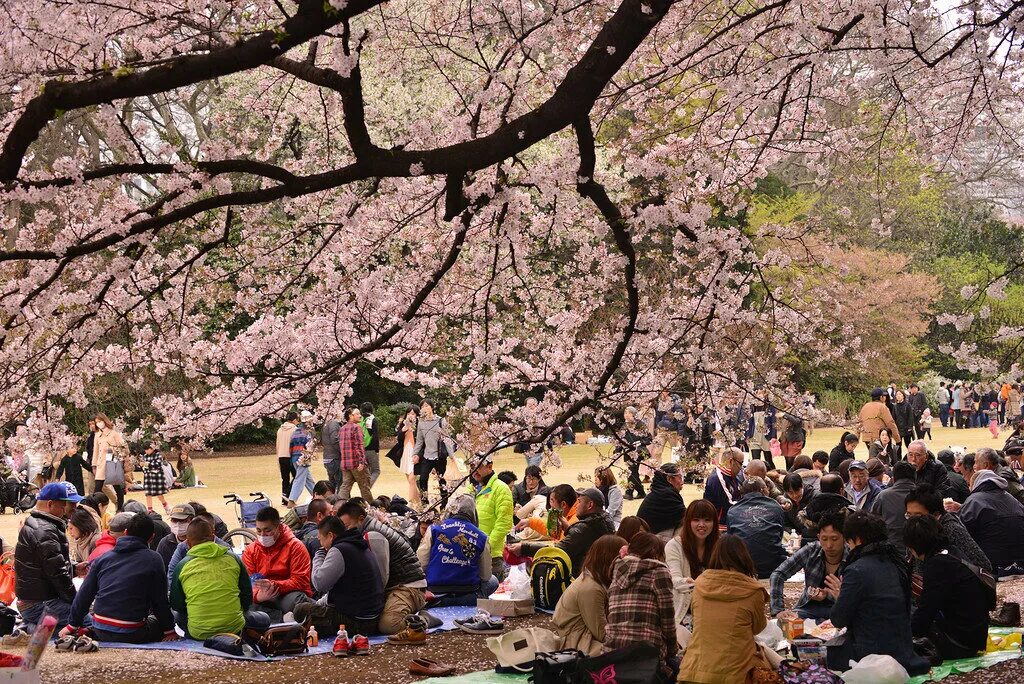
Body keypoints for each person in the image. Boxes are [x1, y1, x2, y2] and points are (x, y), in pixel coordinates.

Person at [824, 511, 929, 675]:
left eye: (849, 542)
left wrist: (840, 598)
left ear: (857, 540)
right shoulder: (896, 562)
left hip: (873, 655)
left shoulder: (856, 570)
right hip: (904, 651)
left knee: (827, 654)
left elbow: (838, 619)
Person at [63, 514, 176, 644]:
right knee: (156, 621)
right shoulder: (154, 559)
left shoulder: (104, 558)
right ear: (151, 537)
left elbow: (84, 594)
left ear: (126, 532)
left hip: (100, 628)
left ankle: (91, 631)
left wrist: (72, 625)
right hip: (133, 632)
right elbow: (159, 600)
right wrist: (169, 630)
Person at [678, 535, 772, 684]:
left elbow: (697, 621)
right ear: (744, 557)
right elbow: (758, 628)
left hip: (693, 671)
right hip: (736, 674)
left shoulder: (699, 584)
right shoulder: (753, 591)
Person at [904, 515, 992, 659]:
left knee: (907, 612)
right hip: (975, 637)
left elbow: (927, 610)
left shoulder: (937, 564)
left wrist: (906, 637)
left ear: (914, 546)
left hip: (959, 644)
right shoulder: (951, 552)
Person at [170, 518, 270, 640]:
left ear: (188, 543)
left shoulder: (182, 566)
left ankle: (192, 637)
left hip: (198, 632)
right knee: (264, 619)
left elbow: (176, 605)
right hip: (235, 628)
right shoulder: (234, 559)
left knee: (177, 615)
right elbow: (247, 598)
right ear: (213, 537)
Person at [337, 501, 426, 634]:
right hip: (394, 585)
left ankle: (423, 620)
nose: (345, 531)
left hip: (408, 587)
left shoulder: (373, 534)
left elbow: (381, 576)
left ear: (361, 519)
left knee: (389, 625)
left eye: (347, 526)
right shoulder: (367, 530)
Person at [293, 515, 384, 637]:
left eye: (320, 540)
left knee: (300, 610)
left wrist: (319, 555)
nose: (321, 544)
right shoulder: (358, 544)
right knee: (312, 607)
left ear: (330, 536)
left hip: (357, 622)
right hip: (372, 617)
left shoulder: (339, 550)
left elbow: (319, 583)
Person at [603, 533, 677, 679]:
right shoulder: (659, 572)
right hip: (645, 654)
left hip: (611, 653)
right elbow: (668, 620)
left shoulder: (616, 571)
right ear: (656, 553)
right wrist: (673, 649)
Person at [15, 482, 81, 631]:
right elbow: (58, 573)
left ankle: (32, 628)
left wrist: (75, 569)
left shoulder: (38, 523)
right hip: (40, 602)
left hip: (32, 599)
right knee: (86, 620)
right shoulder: (45, 530)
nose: (65, 510)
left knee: (67, 624)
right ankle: (34, 628)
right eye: (63, 505)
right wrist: (78, 603)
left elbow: (47, 565)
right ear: (51, 504)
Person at [416, 494, 498, 606]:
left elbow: (421, 563)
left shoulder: (434, 528)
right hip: (468, 594)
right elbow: (485, 575)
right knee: (493, 580)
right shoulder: (482, 537)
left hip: (436, 594)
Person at [512, 488, 616, 577]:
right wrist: (569, 529)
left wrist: (524, 548)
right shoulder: (604, 520)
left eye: (579, 502)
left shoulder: (585, 527)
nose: (577, 506)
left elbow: (559, 549)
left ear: (590, 505)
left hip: (581, 576)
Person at [553, 534, 627, 656]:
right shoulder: (591, 588)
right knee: (623, 653)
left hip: (583, 633)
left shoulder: (594, 578)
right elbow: (601, 633)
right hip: (576, 640)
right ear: (611, 559)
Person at [769, 511, 847, 620]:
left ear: (844, 538)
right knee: (787, 624)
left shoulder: (852, 557)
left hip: (840, 610)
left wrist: (833, 595)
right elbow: (778, 574)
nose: (829, 545)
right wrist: (778, 610)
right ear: (819, 537)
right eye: (824, 539)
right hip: (807, 608)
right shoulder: (811, 550)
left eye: (834, 539)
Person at [241, 507, 313, 621]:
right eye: (259, 530)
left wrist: (274, 586)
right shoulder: (250, 550)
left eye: (267, 530)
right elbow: (246, 584)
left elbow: (301, 581)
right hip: (260, 596)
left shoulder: (296, 547)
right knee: (240, 603)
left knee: (298, 602)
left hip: (287, 595)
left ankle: (274, 618)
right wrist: (257, 596)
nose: (263, 535)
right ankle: (283, 618)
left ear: (279, 528)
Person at [904, 485, 991, 572]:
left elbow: (983, 565)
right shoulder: (913, 529)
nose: (912, 520)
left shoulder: (952, 529)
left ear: (935, 514)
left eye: (918, 516)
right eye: (909, 515)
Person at [956, 469, 1024, 577]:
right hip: (1020, 563)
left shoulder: (973, 501)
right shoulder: (1012, 499)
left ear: (975, 484)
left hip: (992, 566)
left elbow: (960, 533)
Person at [665, 500, 719, 628]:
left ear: (714, 523)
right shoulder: (674, 546)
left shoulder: (720, 544)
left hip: (715, 605)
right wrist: (699, 586)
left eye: (707, 520)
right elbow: (675, 579)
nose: (701, 525)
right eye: (696, 520)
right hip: (685, 609)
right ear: (688, 522)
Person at [725, 477, 787, 579]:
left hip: (743, 569)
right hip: (771, 567)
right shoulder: (775, 506)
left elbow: (730, 539)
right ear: (763, 490)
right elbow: (779, 535)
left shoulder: (733, 510)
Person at [468, 456, 513, 580]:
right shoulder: (470, 489)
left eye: (478, 466)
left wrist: (486, 547)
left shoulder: (501, 489)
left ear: (490, 466)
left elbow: (504, 523)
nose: (474, 470)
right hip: (470, 554)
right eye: (472, 467)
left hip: (492, 556)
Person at [870, 461, 917, 553]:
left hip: (892, 550)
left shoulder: (883, 496)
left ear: (893, 479)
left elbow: (872, 522)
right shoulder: (924, 495)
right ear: (915, 478)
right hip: (919, 549)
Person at [384, 405, 421, 511]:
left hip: (416, 453)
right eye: (409, 413)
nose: (411, 415)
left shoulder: (420, 424)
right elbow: (399, 438)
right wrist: (405, 428)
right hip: (405, 452)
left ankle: (410, 503)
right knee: (410, 481)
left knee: (412, 478)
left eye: (413, 413)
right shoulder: (403, 424)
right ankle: (419, 504)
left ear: (417, 415)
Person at [637, 463, 686, 540]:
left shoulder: (661, 492)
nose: (682, 482)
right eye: (680, 478)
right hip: (650, 539)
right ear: (669, 479)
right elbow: (687, 516)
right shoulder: (666, 495)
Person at [414, 399, 451, 499]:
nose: (424, 408)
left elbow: (447, 439)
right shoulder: (421, 423)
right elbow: (419, 441)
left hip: (439, 456)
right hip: (427, 456)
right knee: (422, 479)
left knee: (442, 481)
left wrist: (452, 456)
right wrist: (415, 454)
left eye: (426, 406)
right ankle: (425, 503)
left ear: (432, 407)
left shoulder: (440, 421)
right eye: (422, 407)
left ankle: (444, 504)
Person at [92, 412, 129, 510]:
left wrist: (112, 450)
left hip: (113, 463)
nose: (98, 424)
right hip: (101, 464)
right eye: (97, 422)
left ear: (105, 421)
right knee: (97, 489)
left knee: (117, 488)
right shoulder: (97, 435)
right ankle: (94, 509)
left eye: (100, 421)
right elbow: (95, 451)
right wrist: (94, 465)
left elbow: (124, 448)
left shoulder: (114, 434)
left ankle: (120, 508)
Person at [339, 406, 373, 502]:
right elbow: (359, 445)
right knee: (364, 486)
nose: (360, 415)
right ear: (350, 415)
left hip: (345, 463)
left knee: (345, 486)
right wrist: (361, 461)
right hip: (356, 463)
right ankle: (370, 508)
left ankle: (339, 506)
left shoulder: (342, 429)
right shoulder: (356, 428)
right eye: (357, 414)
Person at [702, 447, 743, 525]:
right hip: (719, 524)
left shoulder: (733, 475)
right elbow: (729, 503)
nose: (741, 468)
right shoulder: (717, 478)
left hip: (730, 520)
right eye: (741, 463)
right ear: (731, 461)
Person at [287, 410, 316, 505]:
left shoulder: (296, 431)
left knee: (308, 480)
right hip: (303, 457)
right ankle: (292, 500)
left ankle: (317, 496)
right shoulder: (308, 431)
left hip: (294, 457)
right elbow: (309, 445)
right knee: (299, 479)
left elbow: (291, 445)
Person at [157, 503, 196, 568]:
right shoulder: (165, 543)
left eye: (181, 520)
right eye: (174, 520)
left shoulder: (200, 540)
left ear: (192, 520)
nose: (177, 524)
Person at [781, 472, 815, 539]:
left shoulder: (814, 497)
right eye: (790, 493)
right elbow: (785, 523)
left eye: (797, 491)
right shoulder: (785, 501)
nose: (795, 495)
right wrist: (794, 534)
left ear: (802, 485)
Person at [276, 412, 298, 503]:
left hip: (281, 456)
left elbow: (277, 444)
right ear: (293, 420)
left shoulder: (280, 430)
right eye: (297, 419)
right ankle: (287, 495)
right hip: (291, 456)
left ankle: (284, 498)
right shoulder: (295, 429)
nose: (298, 421)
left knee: (285, 478)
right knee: (297, 476)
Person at [141, 444, 170, 514]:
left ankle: (166, 507)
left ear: (152, 448)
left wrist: (146, 464)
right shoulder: (144, 456)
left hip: (157, 477)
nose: (146, 451)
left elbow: (158, 464)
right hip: (148, 476)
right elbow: (144, 467)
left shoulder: (158, 455)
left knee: (159, 494)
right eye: (145, 450)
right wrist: (142, 465)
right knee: (148, 494)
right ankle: (150, 510)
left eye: (147, 449)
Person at [360, 402, 381, 487]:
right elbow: (375, 436)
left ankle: (365, 490)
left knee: (366, 472)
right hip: (371, 449)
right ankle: (367, 487)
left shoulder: (359, 420)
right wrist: (377, 449)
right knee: (376, 471)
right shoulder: (373, 419)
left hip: (361, 450)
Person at [320, 409, 342, 492]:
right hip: (334, 457)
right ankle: (340, 502)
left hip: (327, 457)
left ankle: (332, 501)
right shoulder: (334, 423)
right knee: (340, 482)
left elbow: (322, 441)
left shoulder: (325, 424)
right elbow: (335, 439)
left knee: (332, 483)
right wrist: (342, 451)